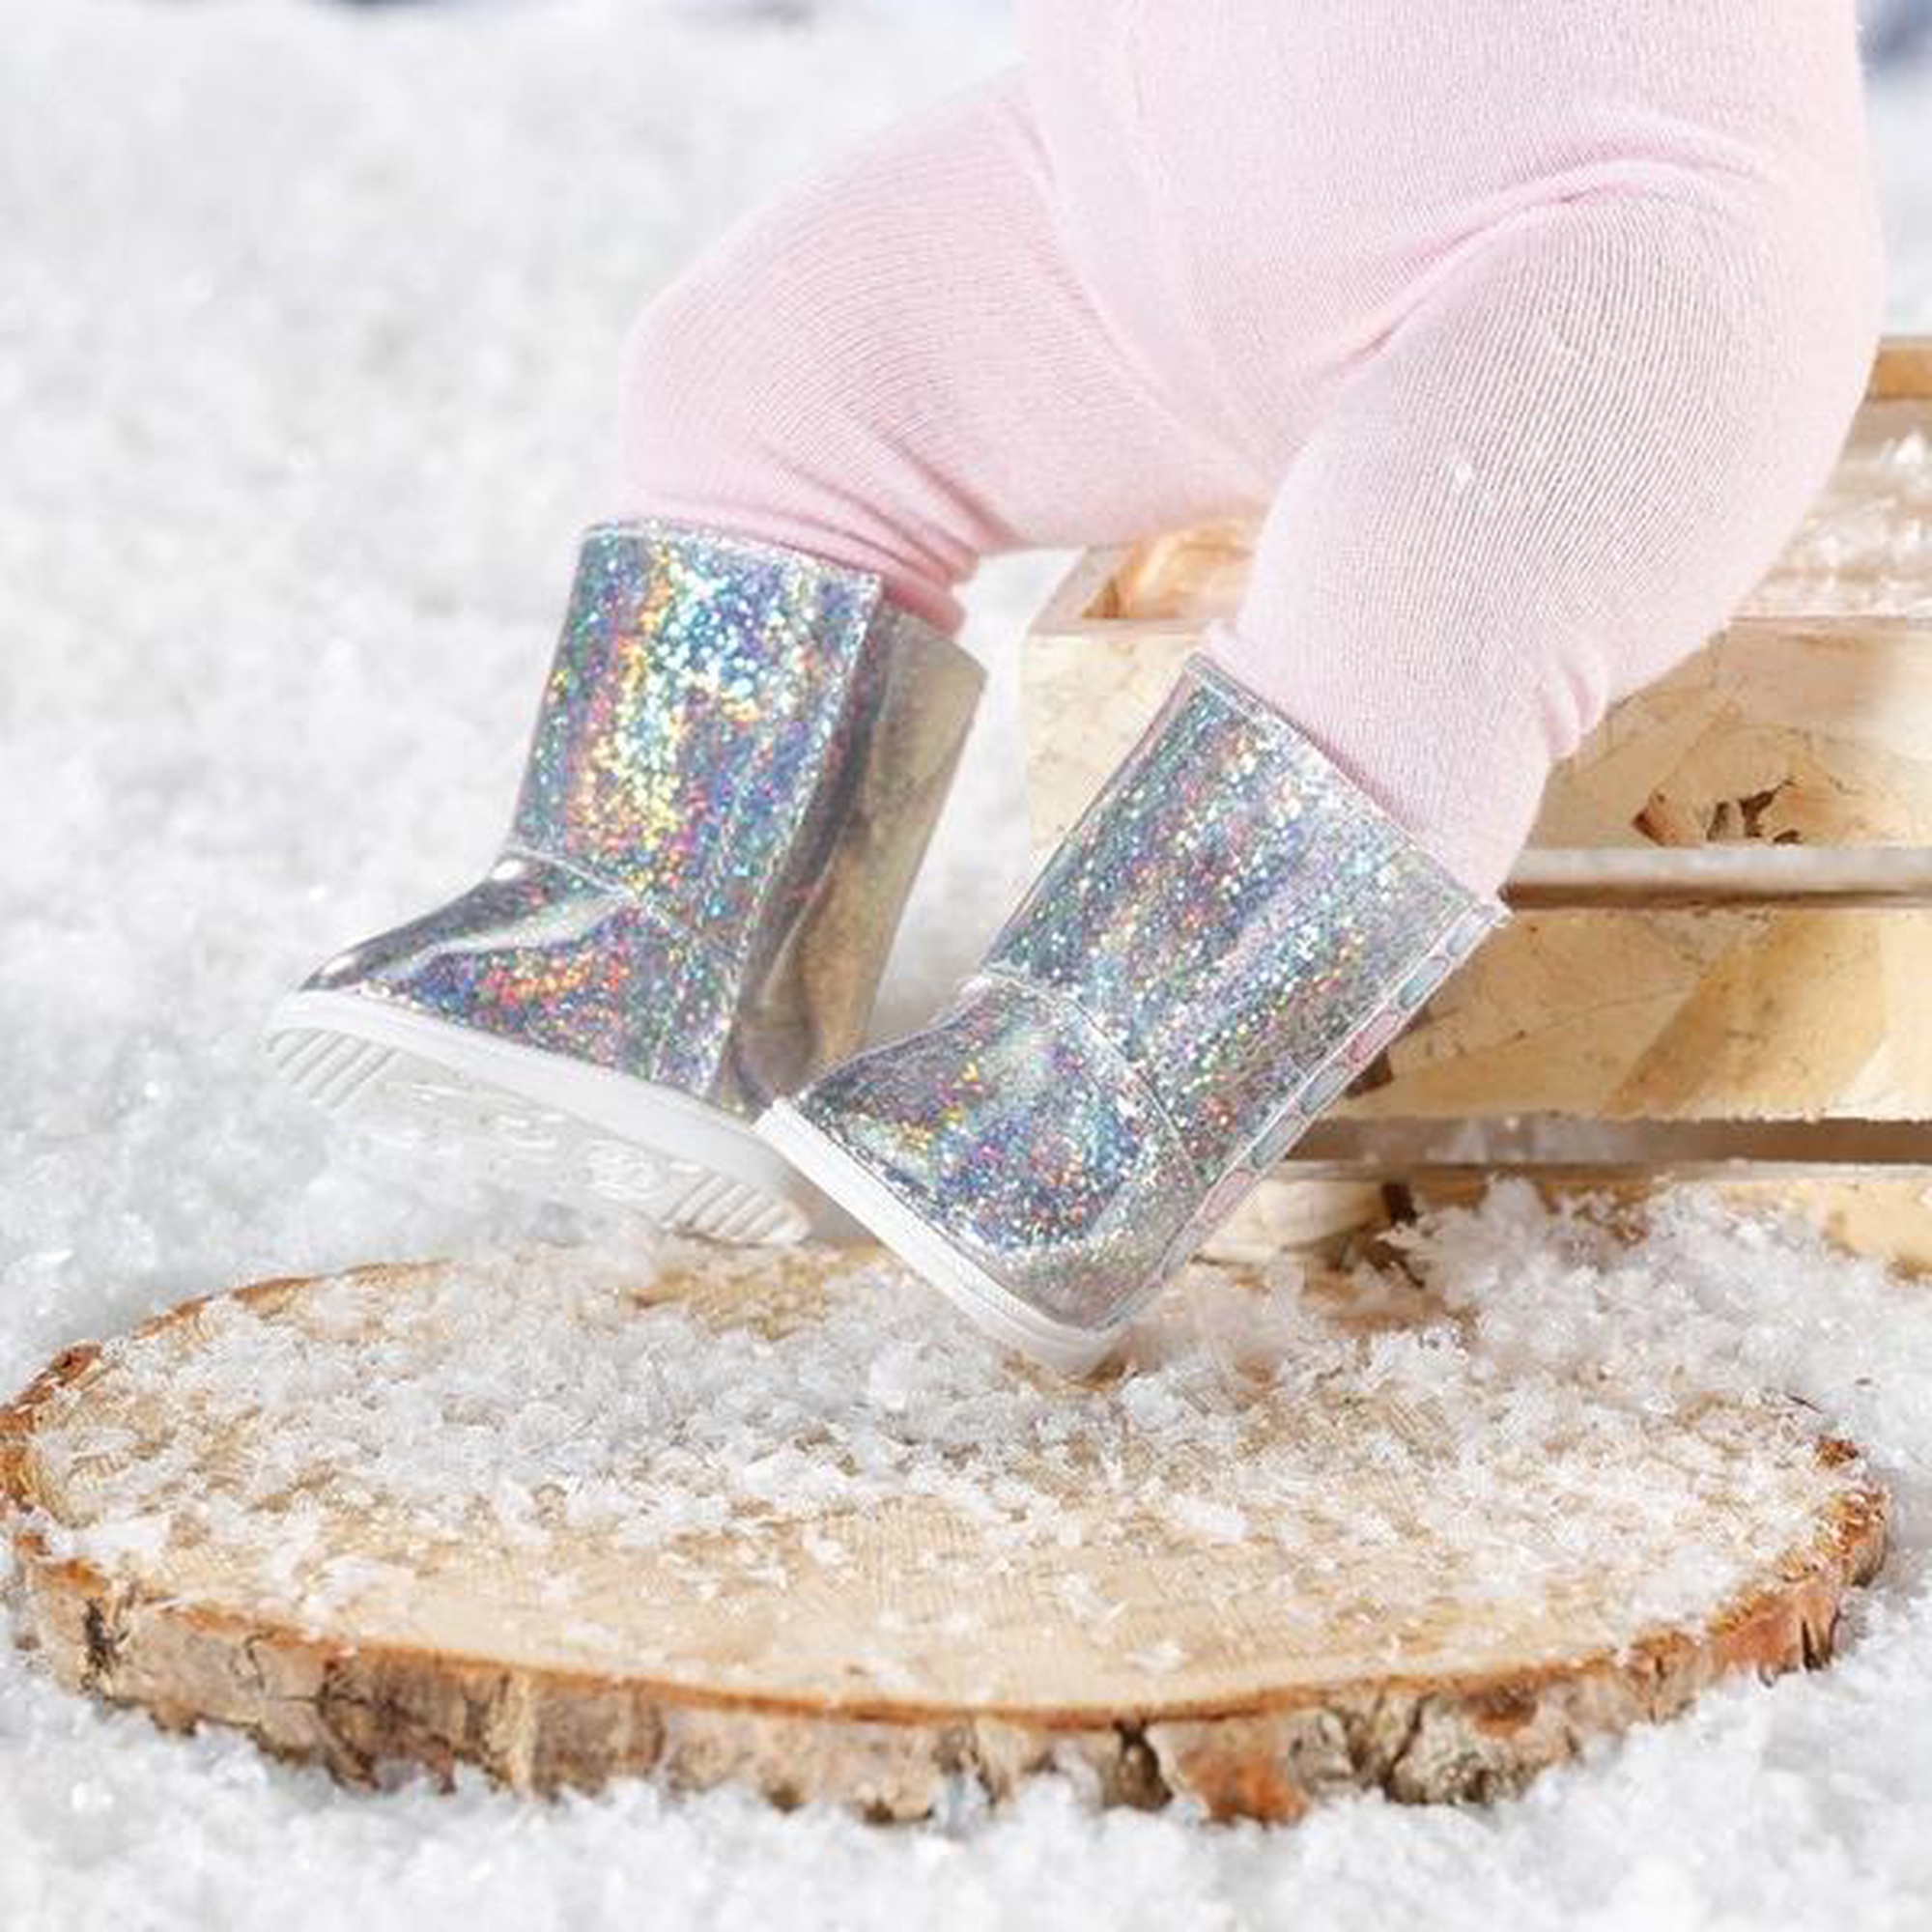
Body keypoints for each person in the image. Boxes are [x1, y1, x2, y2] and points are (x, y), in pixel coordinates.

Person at [270, 3, 1882, 1373]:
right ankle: (641, 928)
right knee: (760, 363)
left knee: (1411, 573)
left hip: (1613, 240)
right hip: (1140, 210)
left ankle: (1100, 1094)